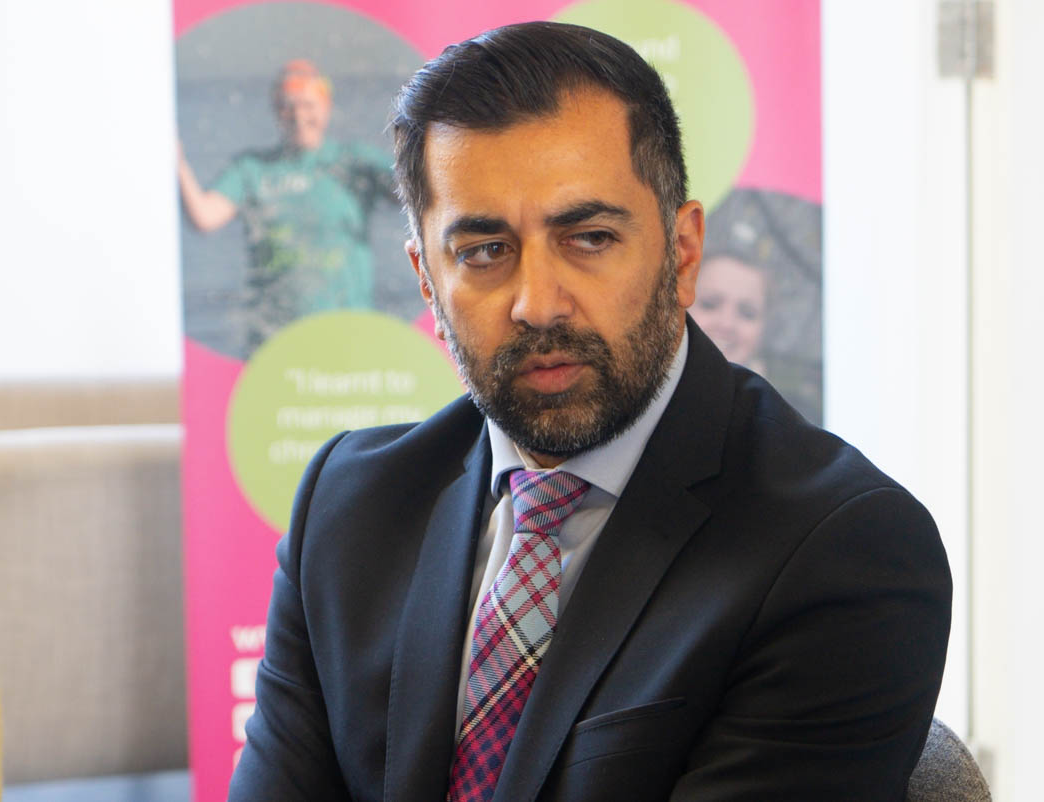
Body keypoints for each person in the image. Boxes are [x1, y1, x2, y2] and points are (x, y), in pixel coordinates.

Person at [229, 21, 951, 801]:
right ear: (426, 284)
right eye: (482, 252)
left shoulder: (844, 551)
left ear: (682, 252)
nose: (538, 305)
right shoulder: (348, 507)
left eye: (590, 237)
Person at [177, 59, 395, 351]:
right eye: (287, 106)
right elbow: (204, 216)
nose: (298, 115)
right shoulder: (252, 169)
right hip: (273, 342)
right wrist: (175, 160)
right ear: (276, 113)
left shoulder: (353, 162)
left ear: (326, 107)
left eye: (308, 104)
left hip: (349, 337)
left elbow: (416, 193)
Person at [688, 187, 824, 423]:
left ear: (766, 324)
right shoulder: (644, 402)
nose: (727, 323)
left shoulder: (798, 421)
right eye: (710, 305)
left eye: (747, 313)